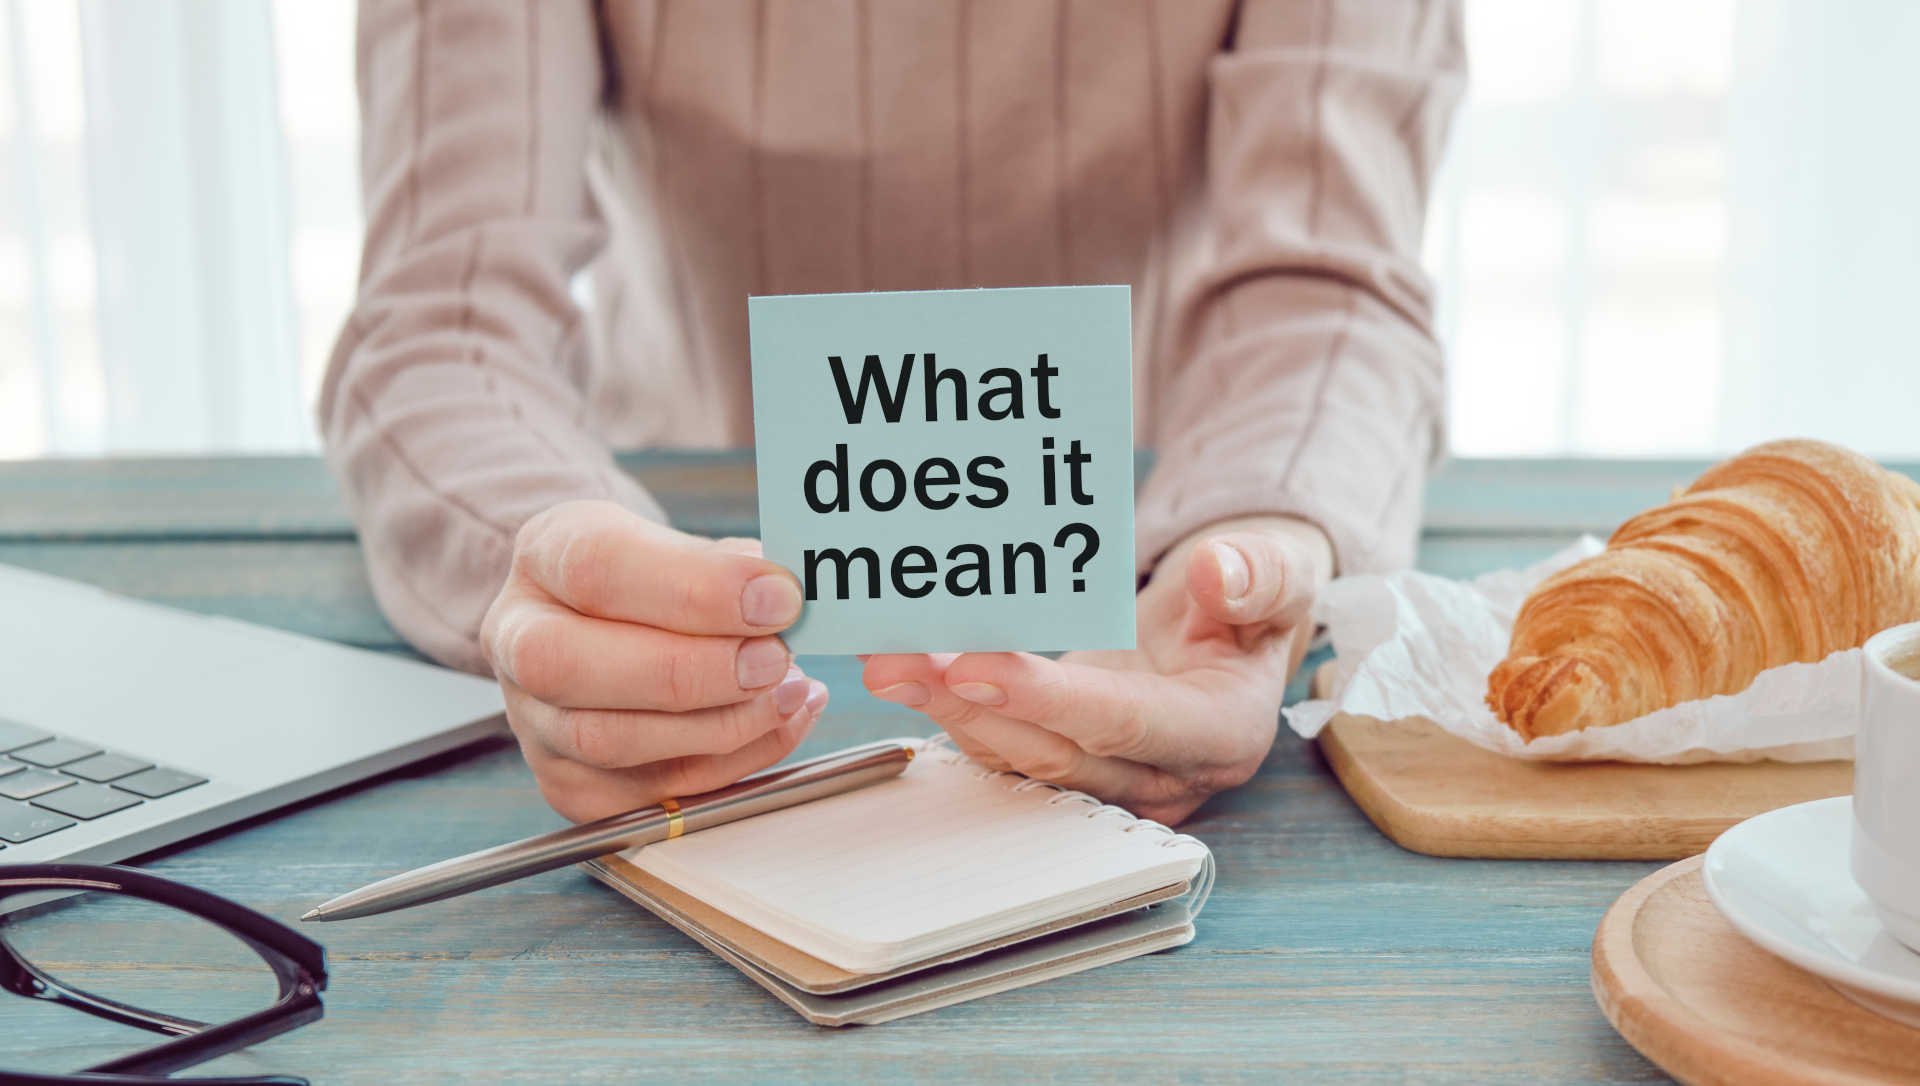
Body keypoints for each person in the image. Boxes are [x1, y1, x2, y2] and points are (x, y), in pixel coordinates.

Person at [321, 1, 1464, 827]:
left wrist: (1262, 539)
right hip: (677, 549)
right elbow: (443, 310)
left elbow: (1333, 281)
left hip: (1141, 573)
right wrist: (552, 568)